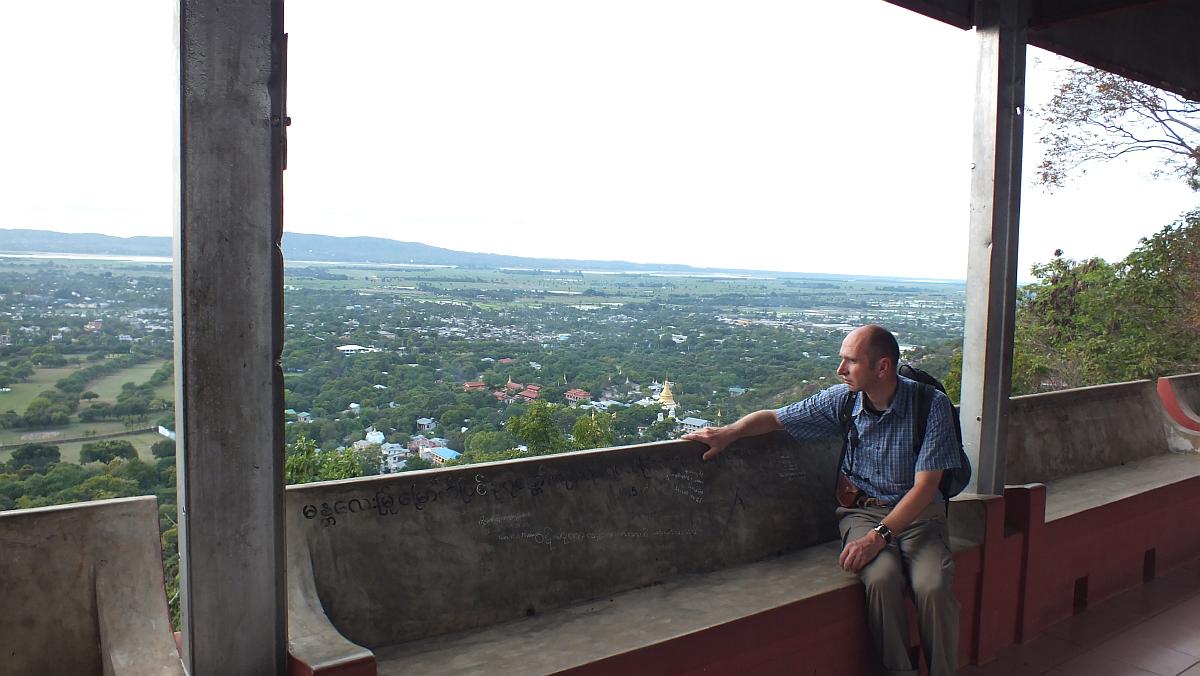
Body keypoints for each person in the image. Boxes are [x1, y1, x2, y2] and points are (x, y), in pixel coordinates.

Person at [683, 324, 963, 676]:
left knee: (933, 586)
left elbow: (925, 487)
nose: (840, 370)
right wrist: (730, 432)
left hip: (920, 514)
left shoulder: (929, 405)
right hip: (863, 510)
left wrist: (879, 537)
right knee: (881, 580)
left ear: (882, 367)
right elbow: (776, 418)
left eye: (851, 361)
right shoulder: (843, 400)